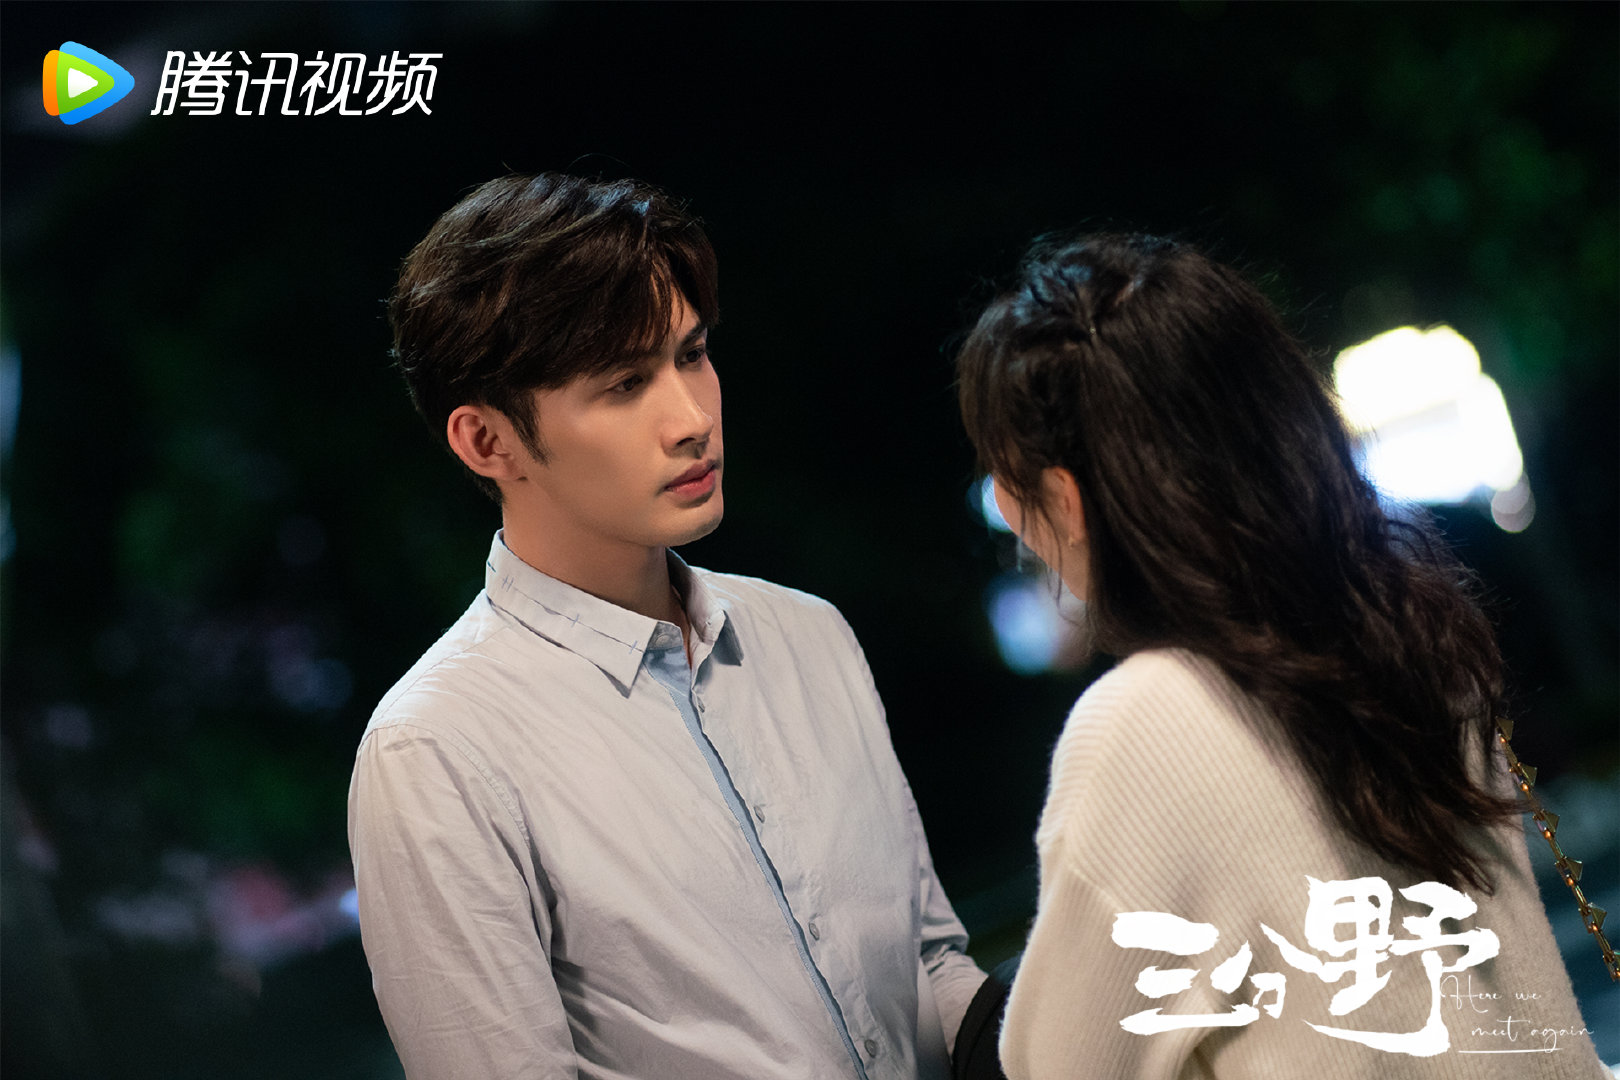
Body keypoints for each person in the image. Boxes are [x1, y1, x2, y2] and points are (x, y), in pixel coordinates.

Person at [348, 173, 988, 1080]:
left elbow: (929, 970)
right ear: (488, 442)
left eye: (692, 355)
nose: (691, 420)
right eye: (624, 384)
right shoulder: (437, 752)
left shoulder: (808, 635)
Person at [953, 233, 1609, 1079]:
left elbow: (1053, 1067)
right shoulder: (1406, 625)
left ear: (1066, 499)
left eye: (1011, 486)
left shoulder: (1142, 727)